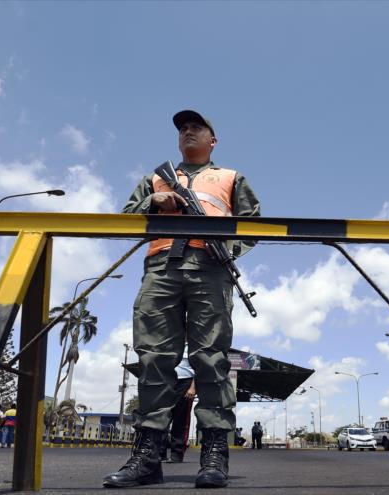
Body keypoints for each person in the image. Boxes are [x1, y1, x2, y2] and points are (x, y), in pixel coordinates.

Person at [103, 110, 260, 489]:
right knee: (155, 360)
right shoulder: (155, 179)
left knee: (210, 359)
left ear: (212, 140)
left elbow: (253, 222)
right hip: (161, 271)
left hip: (210, 270)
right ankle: (146, 458)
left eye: (196, 128)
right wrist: (155, 201)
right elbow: (127, 219)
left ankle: (214, 455)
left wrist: (226, 250)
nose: (188, 132)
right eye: (183, 129)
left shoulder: (230, 178)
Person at [161, 355, 197, 463]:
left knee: (179, 418)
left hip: (185, 382)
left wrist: (193, 387)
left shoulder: (193, 346)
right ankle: (159, 453)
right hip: (168, 381)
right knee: (162, 418)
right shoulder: (172, 343)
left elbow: (199, 368)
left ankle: (177, 453)